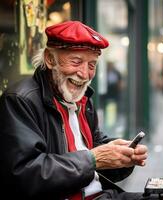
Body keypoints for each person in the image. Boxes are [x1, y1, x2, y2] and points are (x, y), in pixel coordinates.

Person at [0, 21, 149, 200]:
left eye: (92, 65)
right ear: (50, 59)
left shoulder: (82, 99)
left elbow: (94, 148)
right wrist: (94, 159)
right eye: (76, 61)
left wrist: (123, 156)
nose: (84, 74)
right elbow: (25, 175)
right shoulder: (20, 100)